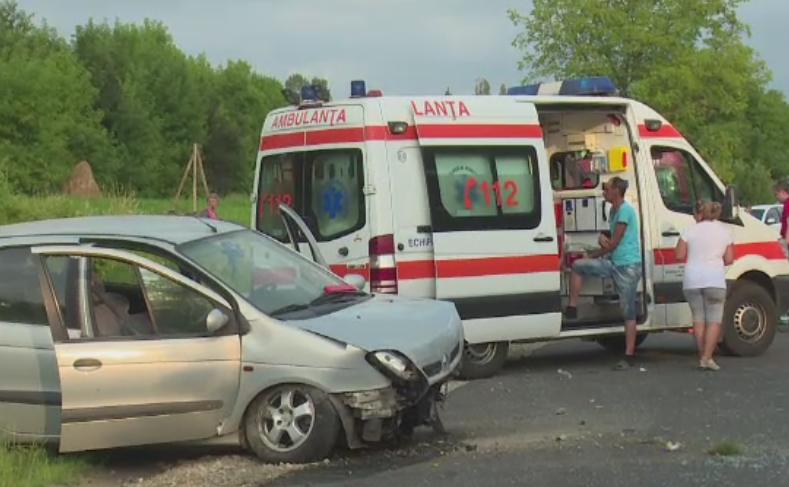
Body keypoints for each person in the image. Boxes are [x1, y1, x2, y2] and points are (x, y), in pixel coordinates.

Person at [565, 176, 643, 371]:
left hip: (627, 266)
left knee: (628, 311)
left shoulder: (624, 211)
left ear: (616, 191)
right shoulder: (614, 211)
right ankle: (572, 307)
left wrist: (594, 253)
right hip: (616, 262)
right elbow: (613, 241)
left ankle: (629, 354)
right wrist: (603, 240)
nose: (604, 191)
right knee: (578, 266)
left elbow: (615, 243)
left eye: (607, 188)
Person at [674, 201, 733, 371]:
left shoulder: (689, 230)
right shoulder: (724, 232)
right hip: (714, 279)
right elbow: (729, 259)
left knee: (698, 319)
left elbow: (679, 254)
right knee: (714, 320)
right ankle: (707, 357)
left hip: (692, 280)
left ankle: (703, 356)